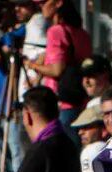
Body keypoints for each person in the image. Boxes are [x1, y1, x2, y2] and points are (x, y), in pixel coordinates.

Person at [26, 0, 92, 134]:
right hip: (80, 99)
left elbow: (57, 70)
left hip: (62, 104)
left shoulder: (55, 31)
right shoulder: (81, 33)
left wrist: (32, 65)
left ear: (58, 3)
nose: (40, 6)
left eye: (43, 2)